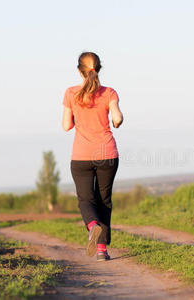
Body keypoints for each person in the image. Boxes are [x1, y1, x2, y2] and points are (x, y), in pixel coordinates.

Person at [62, 51, 123, 261]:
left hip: (81, 156)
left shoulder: (71, 93)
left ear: (79, 71)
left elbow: (66, 125)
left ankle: (92, 225)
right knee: (103, 200)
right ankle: (101, 251)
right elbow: (117, 118)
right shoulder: (109, 93)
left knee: (85, 200)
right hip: (107, 153)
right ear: (99, 69)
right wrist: (116, 120)